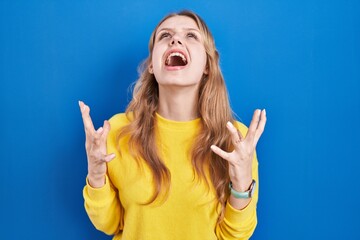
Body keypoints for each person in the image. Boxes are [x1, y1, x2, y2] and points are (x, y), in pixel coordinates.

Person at [79, 10, 266, 240]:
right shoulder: (117, 131)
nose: (175, 40)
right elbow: (110, 224)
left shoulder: (236, 140)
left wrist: (241, 183)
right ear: (151, 66)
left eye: (191, 36)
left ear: (207, 64)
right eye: (165, 35)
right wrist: (96, 175)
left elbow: (235, 236)